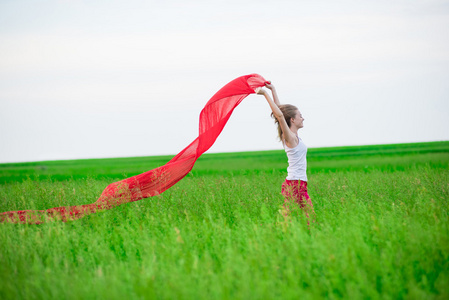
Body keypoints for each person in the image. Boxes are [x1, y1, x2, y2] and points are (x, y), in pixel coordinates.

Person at [257, 82, 315, 222]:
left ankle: (279, 235)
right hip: (296, 184)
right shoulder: (290, 139)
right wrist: (265, 94)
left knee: (287, 218)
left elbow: (280, 113)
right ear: (293, 120)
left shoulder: (293, 137)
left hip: (297, 183)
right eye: (300, 116)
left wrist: (273, 90)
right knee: (310, 218)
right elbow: (280, 116)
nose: (303, 118)